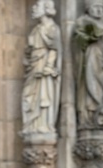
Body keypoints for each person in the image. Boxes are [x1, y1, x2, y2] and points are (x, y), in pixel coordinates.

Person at [74, 0, 103, 129]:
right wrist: (90, 38)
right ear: (88, 8)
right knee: (91, 80)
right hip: (92, 56)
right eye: (95, 7)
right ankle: (91, 111)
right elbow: (78, 40)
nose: (98, 10)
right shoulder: (82, 21)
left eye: (101, 7)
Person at [21, 0, 62, 135]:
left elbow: (54, 49)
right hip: (34, 66)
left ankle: (44, 125)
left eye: (37, 6)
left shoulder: (52, 28)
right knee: (30, 95)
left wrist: (48, 66)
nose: (33, 8)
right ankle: (32, 125)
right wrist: (28, 59)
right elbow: (30, 49)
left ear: (46, 9)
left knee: (44, 95)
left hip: (44, 67)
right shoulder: (35, 30)